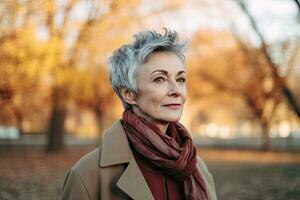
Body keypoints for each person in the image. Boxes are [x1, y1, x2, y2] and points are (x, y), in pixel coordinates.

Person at [61, 28, 217, 200]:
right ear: (129, 93)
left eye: (180, 79)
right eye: (160, 79)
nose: (176, 90)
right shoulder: (88, 175)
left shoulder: (197, 167)